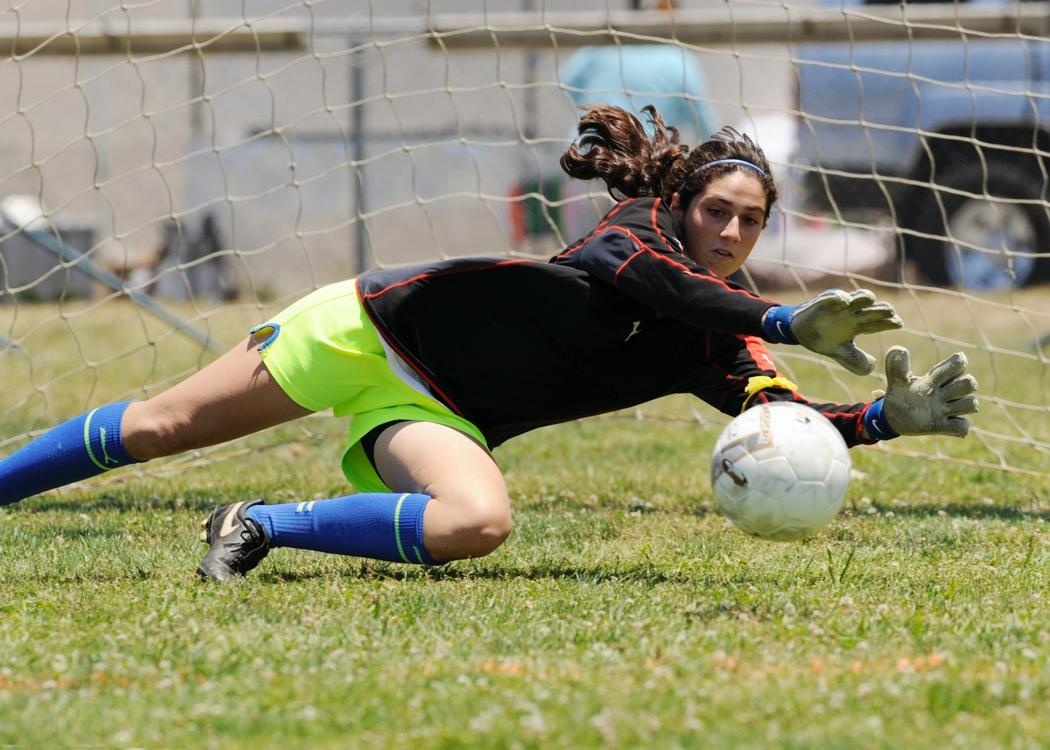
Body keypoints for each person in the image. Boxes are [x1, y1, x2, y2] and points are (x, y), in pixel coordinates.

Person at [0, 106, 978, 582]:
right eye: (715, 211)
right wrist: (778, 318)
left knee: (477, 524)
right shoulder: (631, 237)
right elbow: (636, 281)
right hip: (365, 327)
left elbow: (786, 425)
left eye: (750, 224)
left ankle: (259, 524)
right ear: (676, 201)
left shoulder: (710, 337)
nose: (729, 235)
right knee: (165, 426)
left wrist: (891, 419)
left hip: (427, 408)